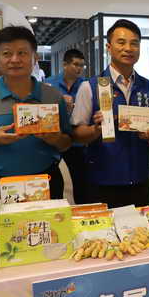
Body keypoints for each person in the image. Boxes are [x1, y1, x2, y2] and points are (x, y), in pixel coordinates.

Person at [0, 26, 72, 199]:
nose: (15, 59)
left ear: (35, 57)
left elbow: (67, 143)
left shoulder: (53, 96)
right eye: (7, 53)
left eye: (22, 53)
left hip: (46, 182)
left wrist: (54, 138)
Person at [71, 19, 149, 208]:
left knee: (139, 226)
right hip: (102, 179)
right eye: (121, 42)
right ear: (108, 47)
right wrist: (96, 129)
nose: (128, 48)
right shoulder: (90, 86)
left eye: (134, 43)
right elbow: (76, 134)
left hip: (140, 178)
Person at [46, 49, 88, 204]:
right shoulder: (49, 84)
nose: (79, 69)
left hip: (77, 139)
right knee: (53, 179)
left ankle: (81, 209)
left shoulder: (85, 85)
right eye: (76, 64)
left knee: (81, 180)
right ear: (65, 65)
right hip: (55, 138)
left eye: (82, 65)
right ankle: (55, 207)